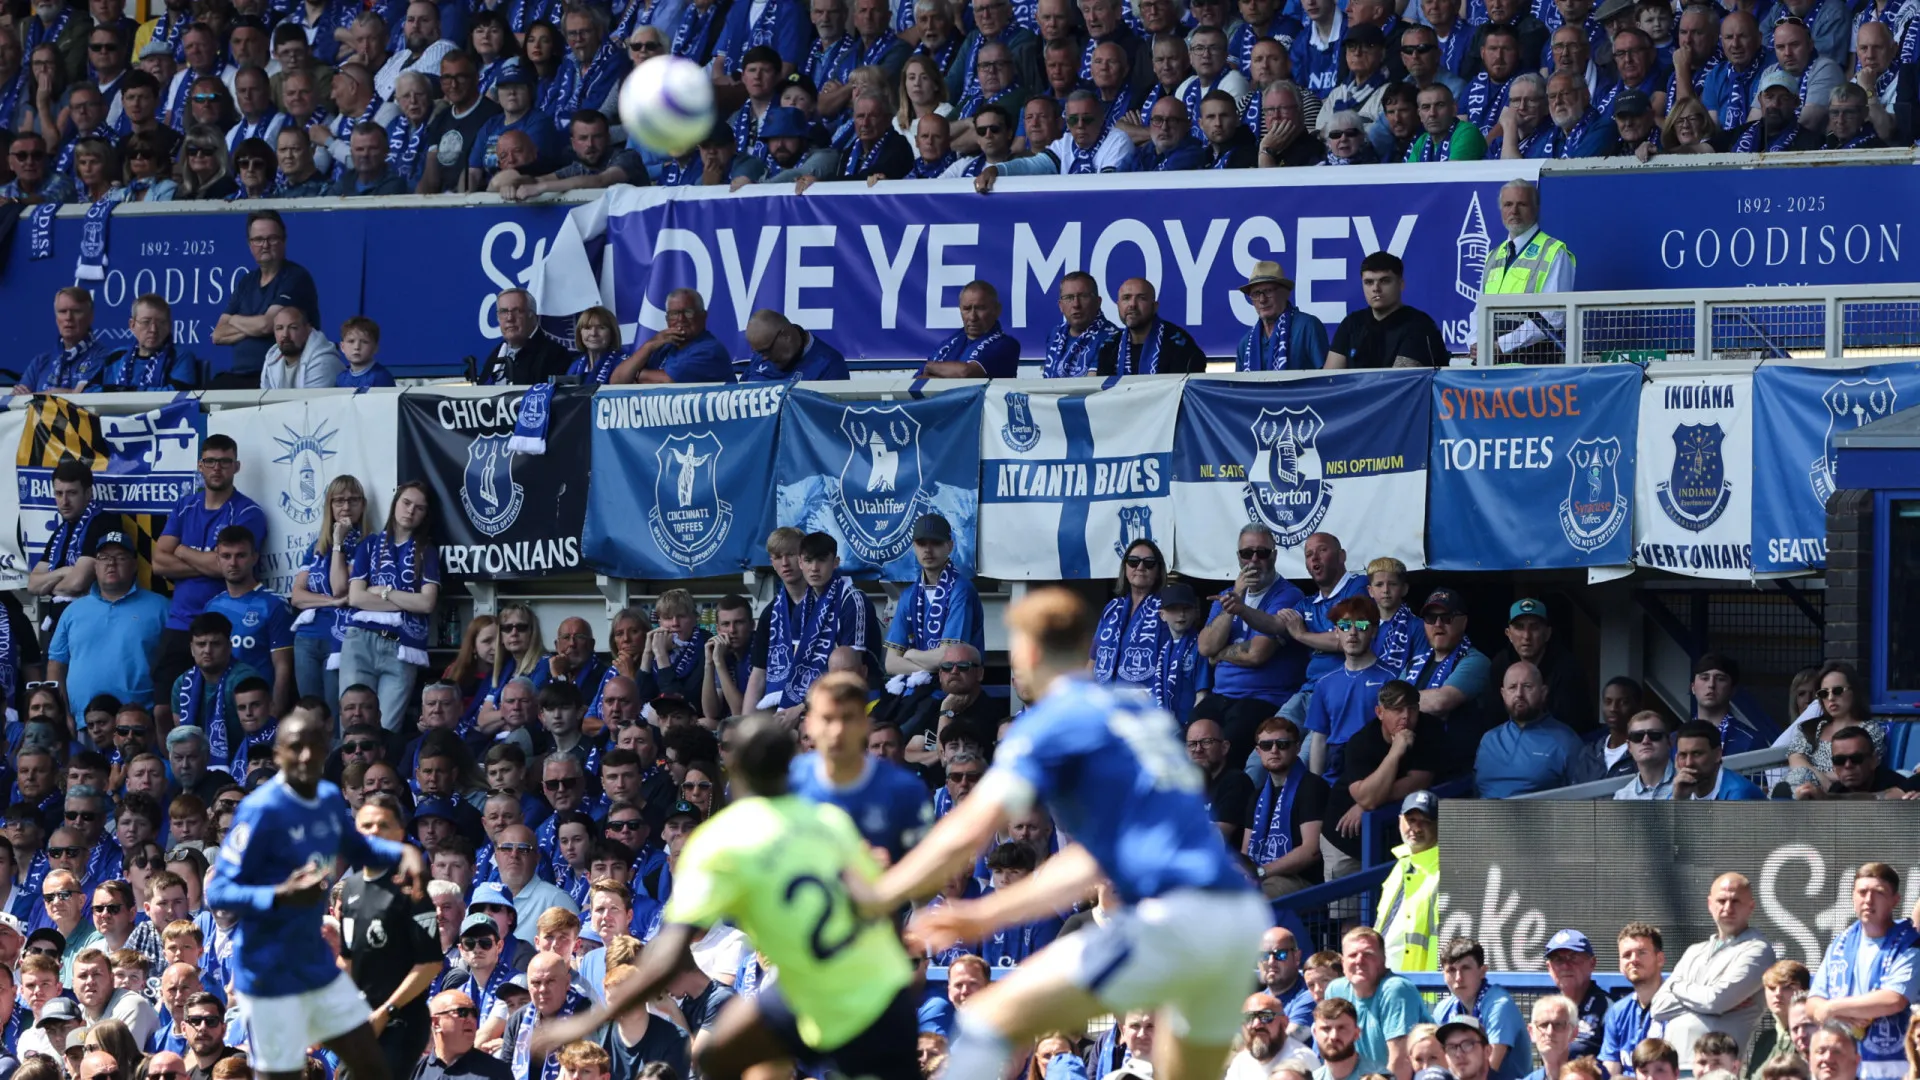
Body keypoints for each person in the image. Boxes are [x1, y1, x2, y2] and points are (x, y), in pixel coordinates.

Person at [860, 588, 1269, 1080]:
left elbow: (968, 829)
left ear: (1027, 654)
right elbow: (1094, 859)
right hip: (1236, 920)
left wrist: (881, 892)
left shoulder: (1051, 722)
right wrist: (987, 912)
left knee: (992, 1019)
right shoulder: (1140, 713)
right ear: (1088, 649)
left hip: (1173, 918)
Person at [526, 714, 921, 1080]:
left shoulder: (722, 840)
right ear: (791, 766)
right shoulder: (832, 822)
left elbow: (666, 954)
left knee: (714, 1058)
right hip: (868, 987)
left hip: (834, 992)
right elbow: (881, 909)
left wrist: (586, 1021)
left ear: (736, 774)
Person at [205, 712, 426, 1080]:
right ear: (279, 754)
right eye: (295, 748)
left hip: (314, 964)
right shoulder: (260, 810)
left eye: (314, 747)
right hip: (268, 970)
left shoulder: (325, 799)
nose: (306, 756)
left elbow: (359, 849)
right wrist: (279, 893)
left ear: (327, 752)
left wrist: (402, 854)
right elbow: (219, 891)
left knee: (373, 1066)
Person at [340, 795, 445, 1079]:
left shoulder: (412, 886)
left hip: (401, 1022)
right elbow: (348, 958)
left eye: (383, 825)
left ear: (399, 834)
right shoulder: (349, 888)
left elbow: (431, 963)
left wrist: (385, 1011)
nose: (373, 832)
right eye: (366, 826)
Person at [1196, 525, 1311, 767]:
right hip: (1221, 696)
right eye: (1247, 553)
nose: (1255, 560)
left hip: (1263, 698)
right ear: (1239, 558)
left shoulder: (1288, 595)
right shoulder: (1227, 594)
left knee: (1228, 748)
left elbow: (1257, 653)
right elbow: (1206, 647)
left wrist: (1222, 653)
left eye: (1263, 553)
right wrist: (1236, 595)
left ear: (1275, 556)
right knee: (1193, 737)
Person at [342, 482, 443, 732]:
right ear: (395, 503)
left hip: (402, 644)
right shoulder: (369, 544)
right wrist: (406, 602)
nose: (410, 511)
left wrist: (385, 592)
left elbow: (427, 603)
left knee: (387, 728)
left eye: (419, 508)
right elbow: (356, 598)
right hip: (360, 640)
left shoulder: (427, 551)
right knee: (352, 725)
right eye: (406, 503)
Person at [1807, 863, 1919, 1080]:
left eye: (1878, 893)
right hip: (1847, 1064)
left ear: (1895, 900)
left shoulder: (1910, 944)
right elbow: (1814, 1003)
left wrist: (1832, 1008)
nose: (1868, 900)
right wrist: (1833, 1011)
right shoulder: (1840, 944)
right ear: (1853, 897)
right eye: (1862, 892)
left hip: (1895, 1066)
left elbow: (1893, 999)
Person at [1648, 873, 1777, 1062]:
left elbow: (1715, 1000)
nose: (1728, 908)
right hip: (1676, 1068)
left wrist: (1677, 987)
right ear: (1710, 904)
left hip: (1720, 1069)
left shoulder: (1758, 951)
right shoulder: (1694, 952)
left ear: (1751, 906)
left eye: (1735, 901)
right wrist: (1709, 1001)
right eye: (1721, 900)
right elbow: (1658, 1007)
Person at [46, 530, 168, 718]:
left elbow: (175, 664)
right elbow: (56, 664)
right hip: (82, 723)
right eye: (103, 558)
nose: (111, 563)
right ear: (95, 566)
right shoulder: (73, 610)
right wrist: (62, 715)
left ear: (135, 565)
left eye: (120, 557)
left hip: (138, 724)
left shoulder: (161, 608)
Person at [211, 210, 320, 389]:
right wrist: (258, 326)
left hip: (276, 376)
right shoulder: (247, 281)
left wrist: (235, 319)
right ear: (249, 244)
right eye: (258, 239)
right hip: (239, 375)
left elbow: (267, 325)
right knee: (203, 400)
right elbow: (218, 334)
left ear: (284, 240)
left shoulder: (295, 277)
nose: (265, 245)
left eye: (272, 238)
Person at [1474, 179, 1574, 364]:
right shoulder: (1493, 255)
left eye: (1522, 204)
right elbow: (1479, 308)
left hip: (1532, 365)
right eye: (1508, 204)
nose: (1514, 211)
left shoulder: (1554, 252)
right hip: (1491, 361)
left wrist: (1502, 345)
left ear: (1536, 209)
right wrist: (1476, 342)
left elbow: (1553, 317)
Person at [884, 514, 985, 676]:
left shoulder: (961, 590)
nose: (928, 550)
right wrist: (931, 670)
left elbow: (949, 658)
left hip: (956, 687)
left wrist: (911, 654)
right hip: (918, 687)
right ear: (914, 547)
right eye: (921, 543)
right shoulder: (909, 595)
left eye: (936, 543)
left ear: (950, 546)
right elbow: (891, 663)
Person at [1327, 926, 1431, 1080]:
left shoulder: (1396, 990)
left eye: (1368, 954)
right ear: (1343, 963)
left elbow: (1400, 1062)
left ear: (1383, 960)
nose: (1359, 961)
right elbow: (1331, 1052)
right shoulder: (1335, 990)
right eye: (1352, 955)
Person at [1326, 253, 1451, 369]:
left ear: (1401, 284)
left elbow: (1399, 383)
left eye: (1385, 281)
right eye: (1369, 282)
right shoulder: (1351, 323)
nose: (1376, 288)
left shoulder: (1419, 325)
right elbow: (1329, 379)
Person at [1436, 942, 1531, 1080]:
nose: (1458, 978)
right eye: (1451, 970)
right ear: (1443, 975)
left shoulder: (1499, 1005)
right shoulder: (1442, 1009)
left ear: (1482, 971)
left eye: (1466, 968)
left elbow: (1489, 1068)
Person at [1373, 792, 1441, 973]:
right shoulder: (1401, 865)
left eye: (1425, 821)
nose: (1416, 828)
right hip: (1385, 977)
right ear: (1399, 820)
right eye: (1411, 820)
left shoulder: (1445, 871)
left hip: (1425, 986)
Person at [608, 288, 735, 385]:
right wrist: (649, 346)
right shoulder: (663, 345)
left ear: (703, 316)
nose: (681, 319)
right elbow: (617, 380)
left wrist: (635, 374)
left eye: (688, 312)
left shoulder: (710, 350)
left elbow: (667, 382)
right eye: (674, 314)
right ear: (667, 319)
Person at [1095, 278, 1209, 375]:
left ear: (1155, 307)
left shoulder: (1179, 344)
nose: (1132, 304)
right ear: (1118, 306)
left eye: (1141, 298)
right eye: (1126, 298)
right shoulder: (1110, 346)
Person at [1598, 924, 1666, 1078]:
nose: (1634, 960)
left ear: (1660, 959)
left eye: (1642, 953)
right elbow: (1611, 1069)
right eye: (1627, 955)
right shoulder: (1618, 1011)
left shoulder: (1678, 1007)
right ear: (1620, 965)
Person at [1236, 261, 1329, 371]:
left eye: (1268, 291)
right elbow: (1239, 387)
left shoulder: (1307, 326)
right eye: (1256, 294)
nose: (1262, 299)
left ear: (1286, 293)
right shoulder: (1245, 344)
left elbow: (1328, 379)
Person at [13, 288, 109, 395]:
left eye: (76, 311)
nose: (68, 317)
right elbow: (17, 400)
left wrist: (32, 397)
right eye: (63, 311)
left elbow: (79, 396)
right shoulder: (40, 362)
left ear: (90, 317)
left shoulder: (103, 357)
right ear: (56, 318)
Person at [919, 281, 1021, 379]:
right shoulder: (949, 343)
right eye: (967, 309)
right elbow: (918, 379)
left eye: (980, 308)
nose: (972, 317)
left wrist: (930, 367)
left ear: (997, 310)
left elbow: (966, 373)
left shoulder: (1006, 345)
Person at [476, 288, 571, 386]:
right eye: (503, 311)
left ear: (533, 316)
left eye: (517, 311)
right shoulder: (496, 354)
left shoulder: (555, 355)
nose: (509, 318)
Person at [413, 990, 514, 1080]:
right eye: (462, 1012)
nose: (471, 1020)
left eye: (474, 1013)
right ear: (436, 1023)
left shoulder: (496, 1071)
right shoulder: (413, 1071)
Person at [1228, 991, 1321, 1078]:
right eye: (1249, 1017)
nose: (1256, 1024)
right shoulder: (1240, 1062)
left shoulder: (1302, 1059)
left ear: (1284, 1022)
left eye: (1266, 1016)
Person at [741, 309, 850, 381]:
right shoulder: (760, 357)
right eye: (758, 352)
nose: (763, 357)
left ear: (786, 336)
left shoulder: (829, 365)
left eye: (766, 351)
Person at [1669, 722, 1766, 801]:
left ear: (1717, 754)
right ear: (1676, 759)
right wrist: (1677, 800)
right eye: (1683, 755)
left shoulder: (1738, 793)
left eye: (1697, 754)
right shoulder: (1680, 788)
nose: (1688, 763)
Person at [1612, 713, 1677, 800]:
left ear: (1669, 742)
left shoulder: (1691, 787)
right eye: (1637, 736)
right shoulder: (1622, 797)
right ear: (1629, 746)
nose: (1645, 741)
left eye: (1654, 735)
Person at [1525, 995, 1580, 1080]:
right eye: (1543, 1024)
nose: (1549, 1032)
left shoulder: (1591, 1076)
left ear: (1574, 1032)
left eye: (1558, 1024)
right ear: (1531, 1032)